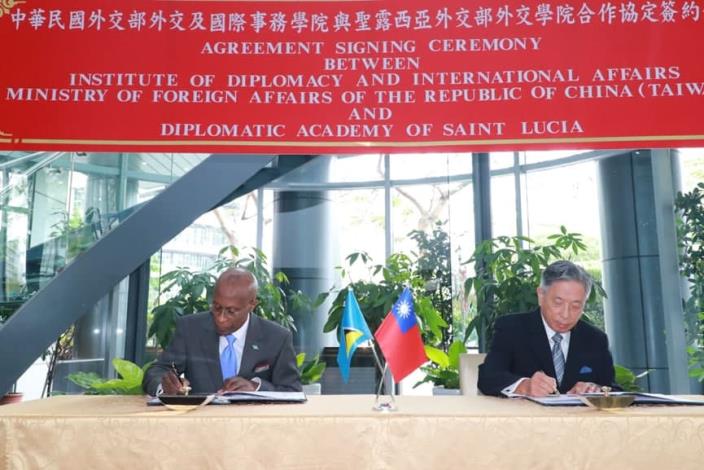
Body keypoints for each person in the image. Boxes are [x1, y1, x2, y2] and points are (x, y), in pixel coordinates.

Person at [143, 268, 301, 395]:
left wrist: (256, 387)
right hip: (200, 426)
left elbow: (292, 391)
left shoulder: (277, 337)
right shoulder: (191, 328)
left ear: (252, 304)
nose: (221, 318)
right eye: (217, 307)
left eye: (231, 311)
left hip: (254, 429)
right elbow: (157, 371)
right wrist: (165, 387)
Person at [477, 260, 616, 397]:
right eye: (558, 302)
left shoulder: (595, 339)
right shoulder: (512, 329)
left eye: (575, 306)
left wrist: (596, 390)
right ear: (541, 295)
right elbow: (488, 377)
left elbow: (612, 388)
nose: (565, 314)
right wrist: (524, 386)